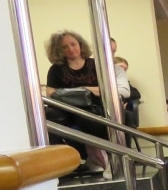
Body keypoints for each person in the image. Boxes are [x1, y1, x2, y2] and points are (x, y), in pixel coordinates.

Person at [44, 30, 130, 173]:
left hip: (93, 107)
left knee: (87, 119)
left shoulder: (95, 64)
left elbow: (108, 89)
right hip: (67, 109)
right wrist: (85, 91)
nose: (70, 49)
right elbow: (50, 92)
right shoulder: (56, 69)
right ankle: (60, 164)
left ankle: (101, 159)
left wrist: (81, 90)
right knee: (51, 117)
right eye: (65, 47)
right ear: (59, 50)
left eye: (73, 44)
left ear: (80, 44)